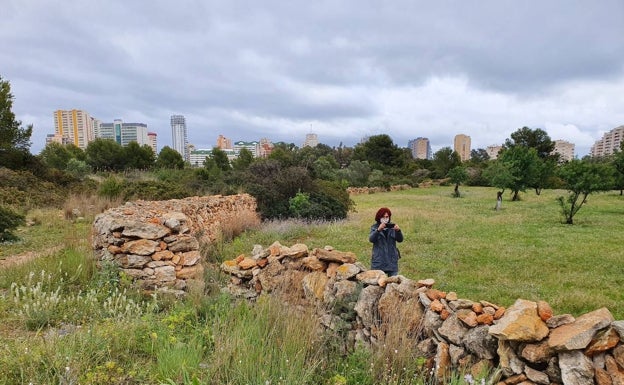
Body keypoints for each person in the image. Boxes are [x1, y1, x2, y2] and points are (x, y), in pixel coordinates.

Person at [369, 207, 403, 277]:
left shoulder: (393, 227)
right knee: (376, 285)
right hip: (379, 261)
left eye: (387, 217)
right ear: (379, 217)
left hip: (392, 261)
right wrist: (378, 230)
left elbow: (400, 240)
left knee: (393, 284)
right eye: (383, 217)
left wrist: (398, 231)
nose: (385, 218)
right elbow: (371, 239)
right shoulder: (374, 227)